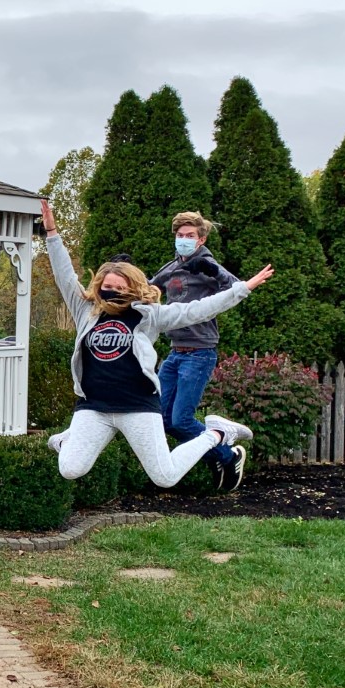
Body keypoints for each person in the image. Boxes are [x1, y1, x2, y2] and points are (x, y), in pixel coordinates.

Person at [41, 199, 272, 490]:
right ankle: (68, 439)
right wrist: (51, 233)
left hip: (137, 406)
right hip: (94, 408)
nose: (111, 291)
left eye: (118, 288)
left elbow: (196, 310)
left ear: (131, 289)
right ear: (99, 286)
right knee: (71, 469)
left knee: (165, 477)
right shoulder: (87, 309)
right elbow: (64, 274)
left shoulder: (148, 316)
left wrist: (242, 289)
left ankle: (216, 433)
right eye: (106, 287)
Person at [149, 211, 242, 489]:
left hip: (200, 352)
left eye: (190, 236)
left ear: (201, 239)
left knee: (182, 419)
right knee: (163, 420)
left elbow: (238, 288)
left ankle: (228, 453)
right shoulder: (171, 267)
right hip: (175, 352)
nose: (184, 240)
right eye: (180, 236)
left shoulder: (208, 264)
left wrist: (214, 271)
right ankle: (215, 451)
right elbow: (149, 290)